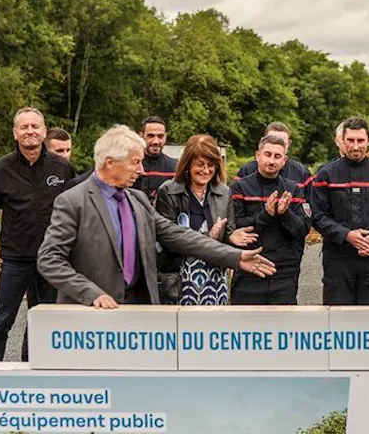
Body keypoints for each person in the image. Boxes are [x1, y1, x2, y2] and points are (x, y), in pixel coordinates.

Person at [38, 126, 275, 307]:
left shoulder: (137, 200)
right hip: (91, 315)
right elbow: (50, 260)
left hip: (139, 310)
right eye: (135, 162)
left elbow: (180, 236)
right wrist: (91, 293)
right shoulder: (72, 201)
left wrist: (236, 256)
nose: (141, 170)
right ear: (110, 163)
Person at [0, 107, 75, 362]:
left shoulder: (61, 167)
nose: (30, 131)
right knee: (1, 322)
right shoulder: (0, 169)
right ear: (15, 132)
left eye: (35, 126)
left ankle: (42, 375)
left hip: (53, 259)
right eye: (24, 127)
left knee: (50, 322)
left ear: (44, 131)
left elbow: (78, 211)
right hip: (16, 259)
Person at [309, 117, 369, 304]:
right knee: (338, 321)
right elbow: (317, 215)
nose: (355, 146)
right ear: (342, 141)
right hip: (338, 259)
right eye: (350, 140)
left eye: (360, 141)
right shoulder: (326, 174)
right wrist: (346, 235)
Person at [154, 134, 256, 305]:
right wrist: (209, 236)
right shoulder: (169, 191)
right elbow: (168, 239)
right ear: (187, 164)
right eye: (200, 165)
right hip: (180, 279)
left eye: (211, 166)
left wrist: (231, 236)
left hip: (215, 278)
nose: (206, 171)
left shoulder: (224, 192)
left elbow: (228, 234)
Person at [229, 133, 311, 304]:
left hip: (283, 274)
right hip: (249, 272)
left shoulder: (293, 189)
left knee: (283, 328)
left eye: (277, 156)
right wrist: (266, 215)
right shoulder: (239, 187)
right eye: (267, 155)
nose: (272, 161)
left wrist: (285, 213)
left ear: (284, 160)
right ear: (257, 156)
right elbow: (236, 227)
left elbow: (302, 229)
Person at [236, 122, 311, 186]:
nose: (276, 145)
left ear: (289, 143)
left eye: (282, 142)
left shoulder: (301, 172)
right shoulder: (246, 171)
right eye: (271, 140)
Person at [134, 116, 177, 203]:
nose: (156, 141)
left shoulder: (174, 168)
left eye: (160, 136)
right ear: (141, 136)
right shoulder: (129, 166)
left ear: (165, 137)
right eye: (151, 136)